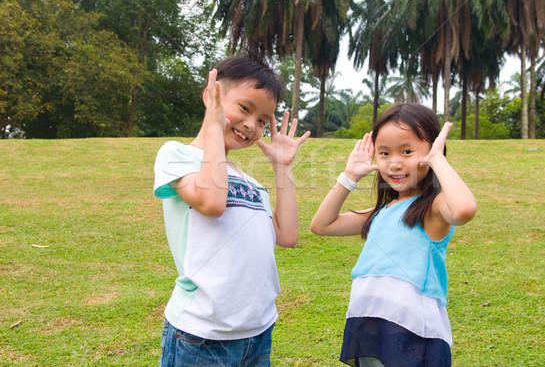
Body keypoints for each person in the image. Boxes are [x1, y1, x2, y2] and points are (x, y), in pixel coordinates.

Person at [153, 55, 310, 366]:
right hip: (201, 335)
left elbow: (288, 235)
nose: (252, 125)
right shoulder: (176, 155)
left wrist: (282, 168)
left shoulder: (250, 183)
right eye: (245, 108)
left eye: (263, 120)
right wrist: (213, 126)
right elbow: (212, 203)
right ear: (211, 95)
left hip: (257, 331)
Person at [310, 104, 477, 367]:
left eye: (407, 151)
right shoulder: (379, 212)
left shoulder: (431, 209)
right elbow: (321, 225)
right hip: (368, 321)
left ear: (431, 150)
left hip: (412, 330)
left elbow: (464, 209)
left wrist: (438, 159)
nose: (395, 163)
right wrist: (349, 177)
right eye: (384, 153)